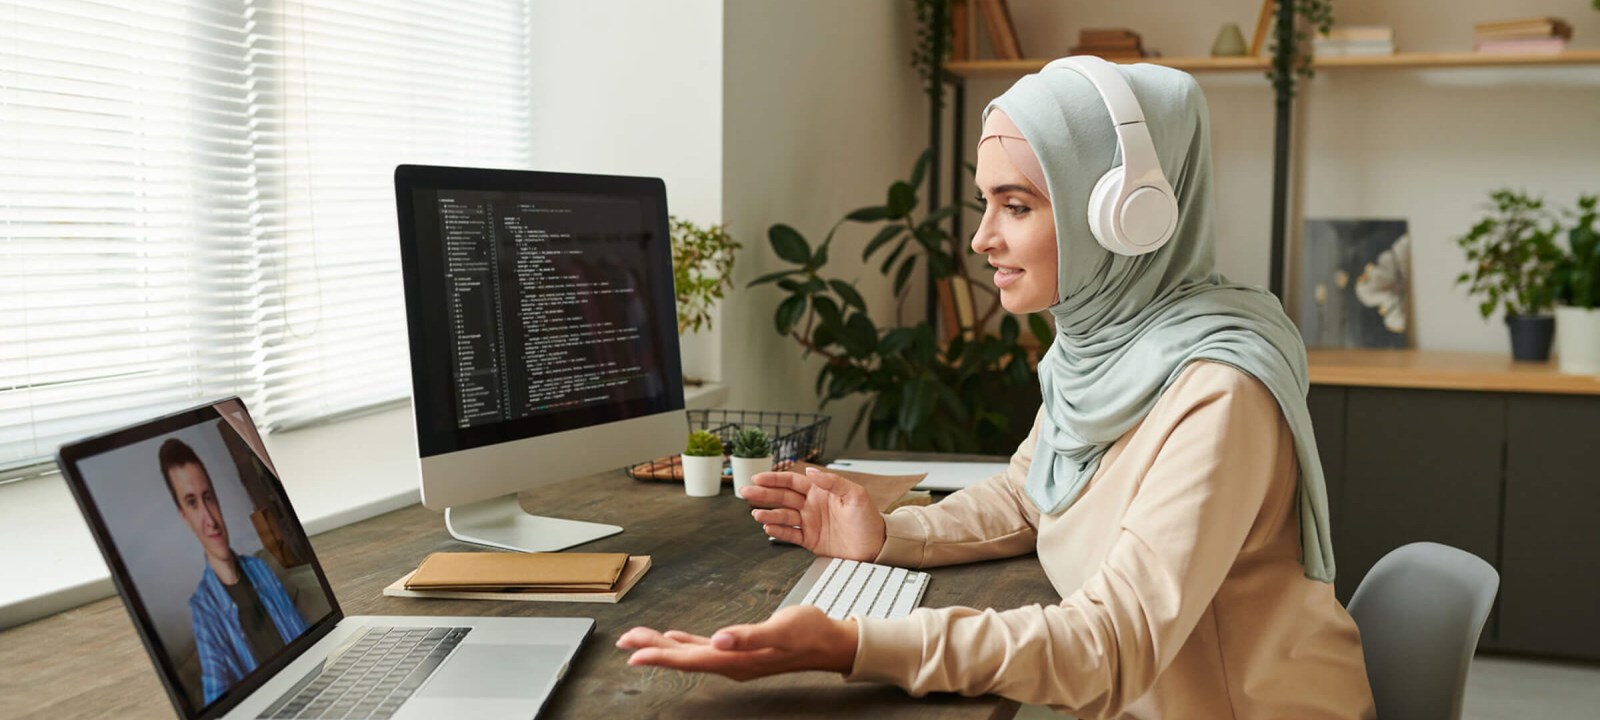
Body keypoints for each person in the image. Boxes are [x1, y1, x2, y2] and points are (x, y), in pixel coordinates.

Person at [617, 57, 1377, 719]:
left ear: (1125, 219)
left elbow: (1112, 647)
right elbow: (1029, 490)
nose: (982, 238)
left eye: (1015, 206)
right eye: (988, 203)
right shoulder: (1106, 351)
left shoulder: (1220, 394)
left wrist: (854, 642)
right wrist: (889, 536)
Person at [160, 437, 308, 704]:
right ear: (184, 516)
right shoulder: (203, 610)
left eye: (209, 498)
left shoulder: (261, 568)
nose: (210, 519)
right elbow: (216, 696)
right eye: (192, 503)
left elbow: (305, 636)